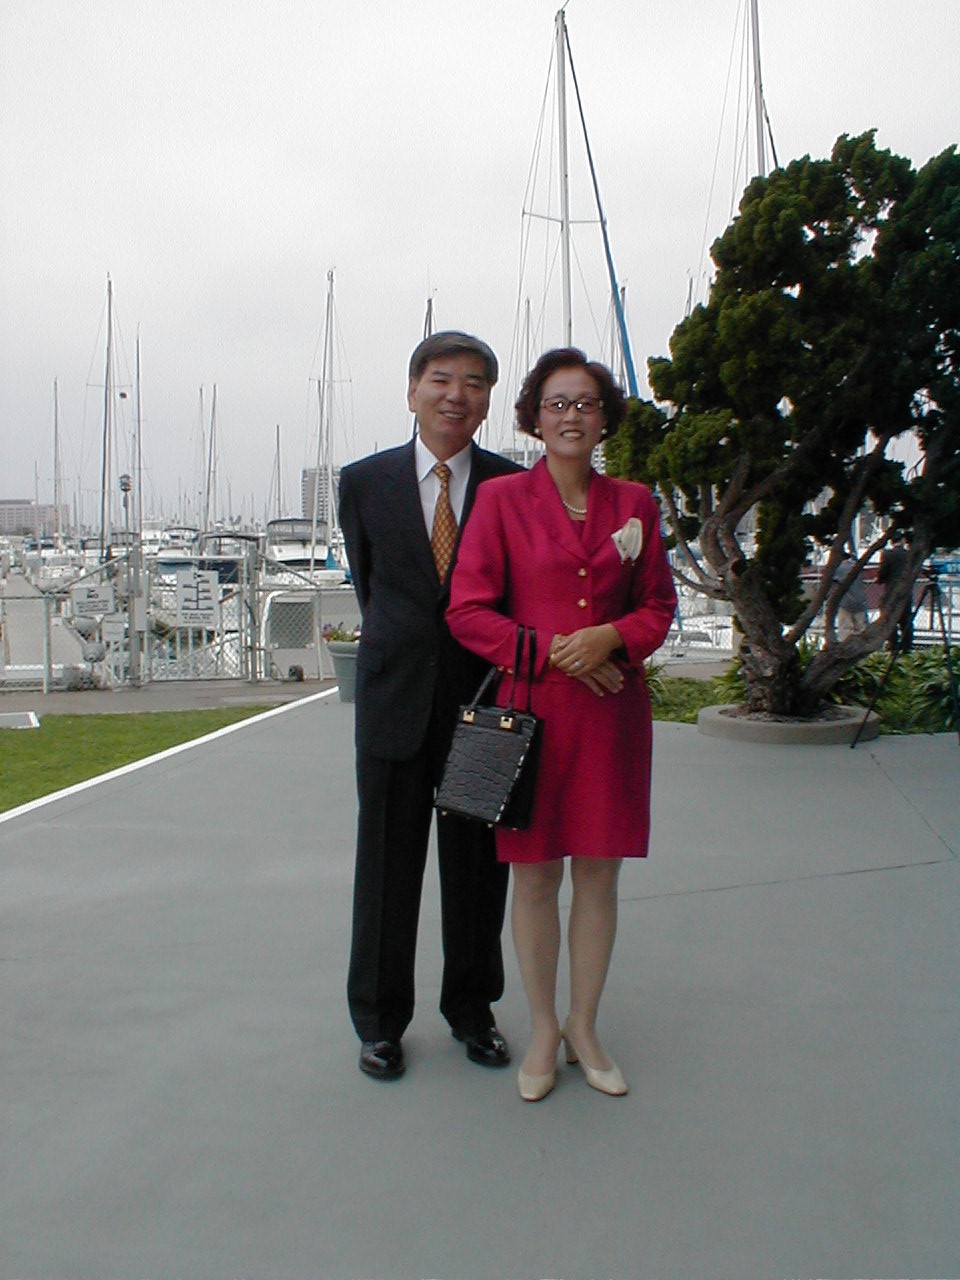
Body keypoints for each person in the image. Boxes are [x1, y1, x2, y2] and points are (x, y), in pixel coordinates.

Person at [446, 347, 677, 1101]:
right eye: (557, 403)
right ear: (534, 418)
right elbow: (468, 611)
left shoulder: (634, 503)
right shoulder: (501, 501)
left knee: (600, 872)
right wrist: (555, 652)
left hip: (610, 717)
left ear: (604, 418)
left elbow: (658, 607)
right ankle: (544, 1026)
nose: (571, 415)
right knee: (537, 873)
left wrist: (609, 637)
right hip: (532, 716)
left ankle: (585, 1023)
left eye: (585, 403)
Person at [338, 330, 522, 1082]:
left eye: (474, 383)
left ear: (488, 401)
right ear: (412, 390)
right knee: (386, 866)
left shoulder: (513, 486)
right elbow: (371, 585)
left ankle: (473, 1011)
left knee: (478, 869)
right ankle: (379, 1023)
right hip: (394, 701)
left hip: (484, 703)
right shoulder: (363, 482)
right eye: (442, 379)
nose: (457, 395)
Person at [877, 536, 913, 653]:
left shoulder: (888, 554)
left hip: (891, 591)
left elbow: (882, 573)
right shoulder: (909, 554)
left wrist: (880, 579)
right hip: (906, 591)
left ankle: (893, 646)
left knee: (890, 619)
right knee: (906, 620)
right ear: (902, 541)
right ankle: (907, 647)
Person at [832, 552, 868, 640]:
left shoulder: (839, 568)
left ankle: (844, 645)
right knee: (861, 628)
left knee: (845, 628)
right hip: (861, 601)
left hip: (845, 602)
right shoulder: (857, 567)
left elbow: (834, 583)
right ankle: (862, 644)